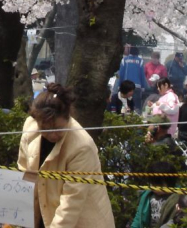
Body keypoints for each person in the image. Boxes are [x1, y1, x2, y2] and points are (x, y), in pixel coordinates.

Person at [17, 83, 114, 228]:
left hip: (81, 220)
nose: (52, 135)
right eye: (45, 129)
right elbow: (24, 175)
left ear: (68, 117)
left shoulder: (82, 146)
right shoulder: (30, 127)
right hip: (44, 214)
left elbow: (71, 202)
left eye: (58, 129)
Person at [130, 161, 181, 228]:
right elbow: (138, 218)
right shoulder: (146, 196)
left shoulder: (179, 198)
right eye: (153, 184)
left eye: (159, 184)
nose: (155, 187)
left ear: (170, 182)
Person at [117, 46, 147, 112]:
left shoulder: (124, 60)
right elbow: (142, 75)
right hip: (137, 86)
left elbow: (120, 74)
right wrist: (143, 87)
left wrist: (119, 85)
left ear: (130, 52)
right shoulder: (140, 61)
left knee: (125, 105)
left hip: (126, 86)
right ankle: (137, 119)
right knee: (137, 106)